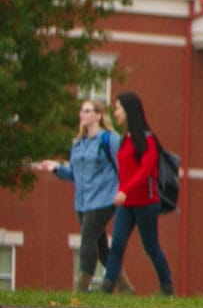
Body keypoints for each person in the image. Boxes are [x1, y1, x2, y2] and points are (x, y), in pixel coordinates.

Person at [36, 99, 122, 293]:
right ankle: (125, 286)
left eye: (87, 111)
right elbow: (73, 175)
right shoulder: (77, 143)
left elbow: (123, 167)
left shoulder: (110, 139)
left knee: (87, 240)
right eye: (81, 111)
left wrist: (122, 191)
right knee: (100, 247)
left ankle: (81, 288)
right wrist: (56, 168)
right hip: (83, 202)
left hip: (105, 198)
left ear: (99, 116)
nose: (82, 114)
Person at [100, 91, 176, 296]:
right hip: (127, 204)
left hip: (145, 202)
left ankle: (167, 287)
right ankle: (106, 288)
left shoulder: (148, 140)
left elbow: (145, 172)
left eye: (118, 108)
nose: (115, 112)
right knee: (116, 245)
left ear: (128, 111)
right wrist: (121, 190)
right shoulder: (126, 138)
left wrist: (125, 190)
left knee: (150, 246)